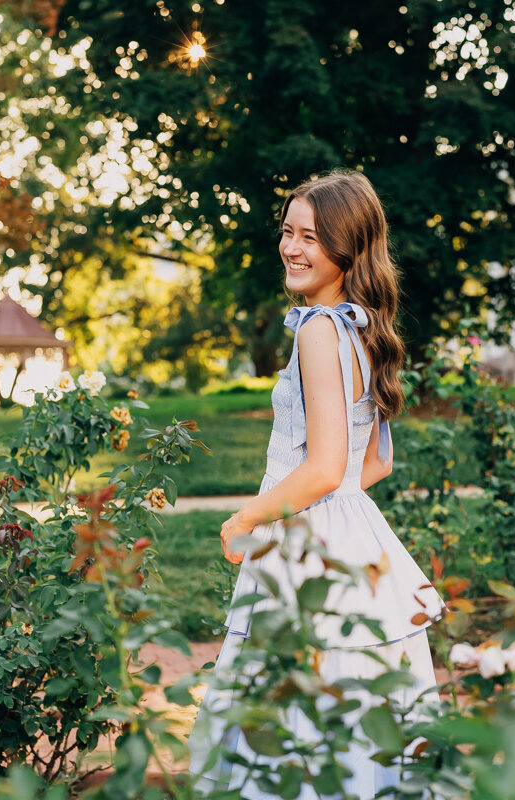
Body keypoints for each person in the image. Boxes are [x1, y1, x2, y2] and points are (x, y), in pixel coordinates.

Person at [188, 170, 444, 797]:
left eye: (311, 237)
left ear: (347, 250)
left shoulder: (319, 329)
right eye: (288, 232)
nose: (293, 248)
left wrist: (249, 517)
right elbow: (373, 463)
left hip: (307, 541)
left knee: (290, 713)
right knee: (354, 707)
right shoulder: (362, 330)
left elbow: (327, 467)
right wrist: (329, 505)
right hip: (354, 535)